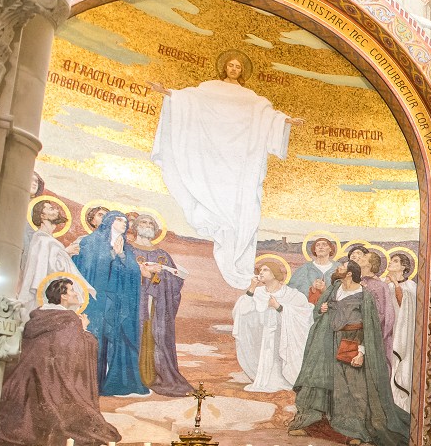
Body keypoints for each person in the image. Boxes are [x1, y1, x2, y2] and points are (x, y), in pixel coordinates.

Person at [149, 51, 304, 288]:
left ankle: (235, 252)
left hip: (239, 161)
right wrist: (168, 93)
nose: (234, 69)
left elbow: (266, 114)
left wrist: (284, 122)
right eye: (230, 65)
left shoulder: (251, 97)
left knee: (239, 205)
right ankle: (219, 226)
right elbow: (189, 100)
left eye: (238, 67)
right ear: (225, 67)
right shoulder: (209, 88)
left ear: (242, 71)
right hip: (211, 155)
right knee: (210, 196)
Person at [289, 261, 410, 446]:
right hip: (327, 342)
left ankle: (354, 432)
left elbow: (370, 326)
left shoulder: (365, 295)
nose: (338, 268)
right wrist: (321, 310)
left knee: (351, 388)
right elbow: (318, 310)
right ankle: (312, 423)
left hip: (351, 341)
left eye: (342, 266)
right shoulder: (334, 288)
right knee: (322, 381)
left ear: (350, 273)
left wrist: (361, 351)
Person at [0, 278, 122, 446]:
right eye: (71, 290)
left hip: (23, 377)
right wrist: (84, 329)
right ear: (62, 296)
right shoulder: (69, 319)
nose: (76, 293)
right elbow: (70, 353)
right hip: (51, 380)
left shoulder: (38, 316)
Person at [72, 210, 146, 397]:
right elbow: (86, 268)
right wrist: (113, 254)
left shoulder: (127, 248)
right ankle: (89, 384)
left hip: (118, 303)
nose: (124, 224)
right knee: (95, 339)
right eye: (119, 220)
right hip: (97, 301)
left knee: (117, 339)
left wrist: (121, 256)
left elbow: (133, 273)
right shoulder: (90, 242)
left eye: (125, 221)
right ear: (109, 221)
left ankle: (114, 382)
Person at [128, 213, 193, 397]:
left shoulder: (162, 254)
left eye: (151, 223)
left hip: (156, 305)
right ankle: (135, 377)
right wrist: (142, 274)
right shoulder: (128, 250)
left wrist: (159, 275)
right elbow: (120, 275)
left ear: (156, 230)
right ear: (136, 226)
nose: (147, 225)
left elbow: (175, 282)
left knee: (155, 335)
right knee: (136, 334)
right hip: (134, 303)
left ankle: (156, 375)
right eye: (143, 222)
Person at [232, 258, 313, 393]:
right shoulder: (258, 293)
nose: (261, 273)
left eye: (265, 269)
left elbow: (304, 313)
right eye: (260, 270)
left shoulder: (291, 294)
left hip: (285, 335)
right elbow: (242, 309)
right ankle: (266, 379)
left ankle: (286, 378)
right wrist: (252, 287)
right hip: (264, 335)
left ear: (275, 273)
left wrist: (280, 307)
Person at [17, 197, 88, 311]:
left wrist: (66, 254)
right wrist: (66, 252)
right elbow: (49, 270)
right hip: (45, 292)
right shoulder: (41, 239)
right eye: (51, 209)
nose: (56, 211)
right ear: (42, 216)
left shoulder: (50, 240)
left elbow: (55, 267)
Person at [384, 251, 417, 412]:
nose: (390, 263)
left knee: (398, 365)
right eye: (391, 260)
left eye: (395, 261)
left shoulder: (410, 286)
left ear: (403, 267)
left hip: (402, 333)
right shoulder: (387, 285)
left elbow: (405, 305)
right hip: (388, 331)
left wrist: (396, 285)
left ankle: (399, 405)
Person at [290, 236, 341, 304]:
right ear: (314, 250)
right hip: (308, 308)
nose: (320, 247)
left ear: (330, 249)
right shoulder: (305, 268)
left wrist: (325, 290)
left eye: (324, 245)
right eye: (317, 245)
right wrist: (312, 289)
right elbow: (292, 289)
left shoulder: (339, 267)